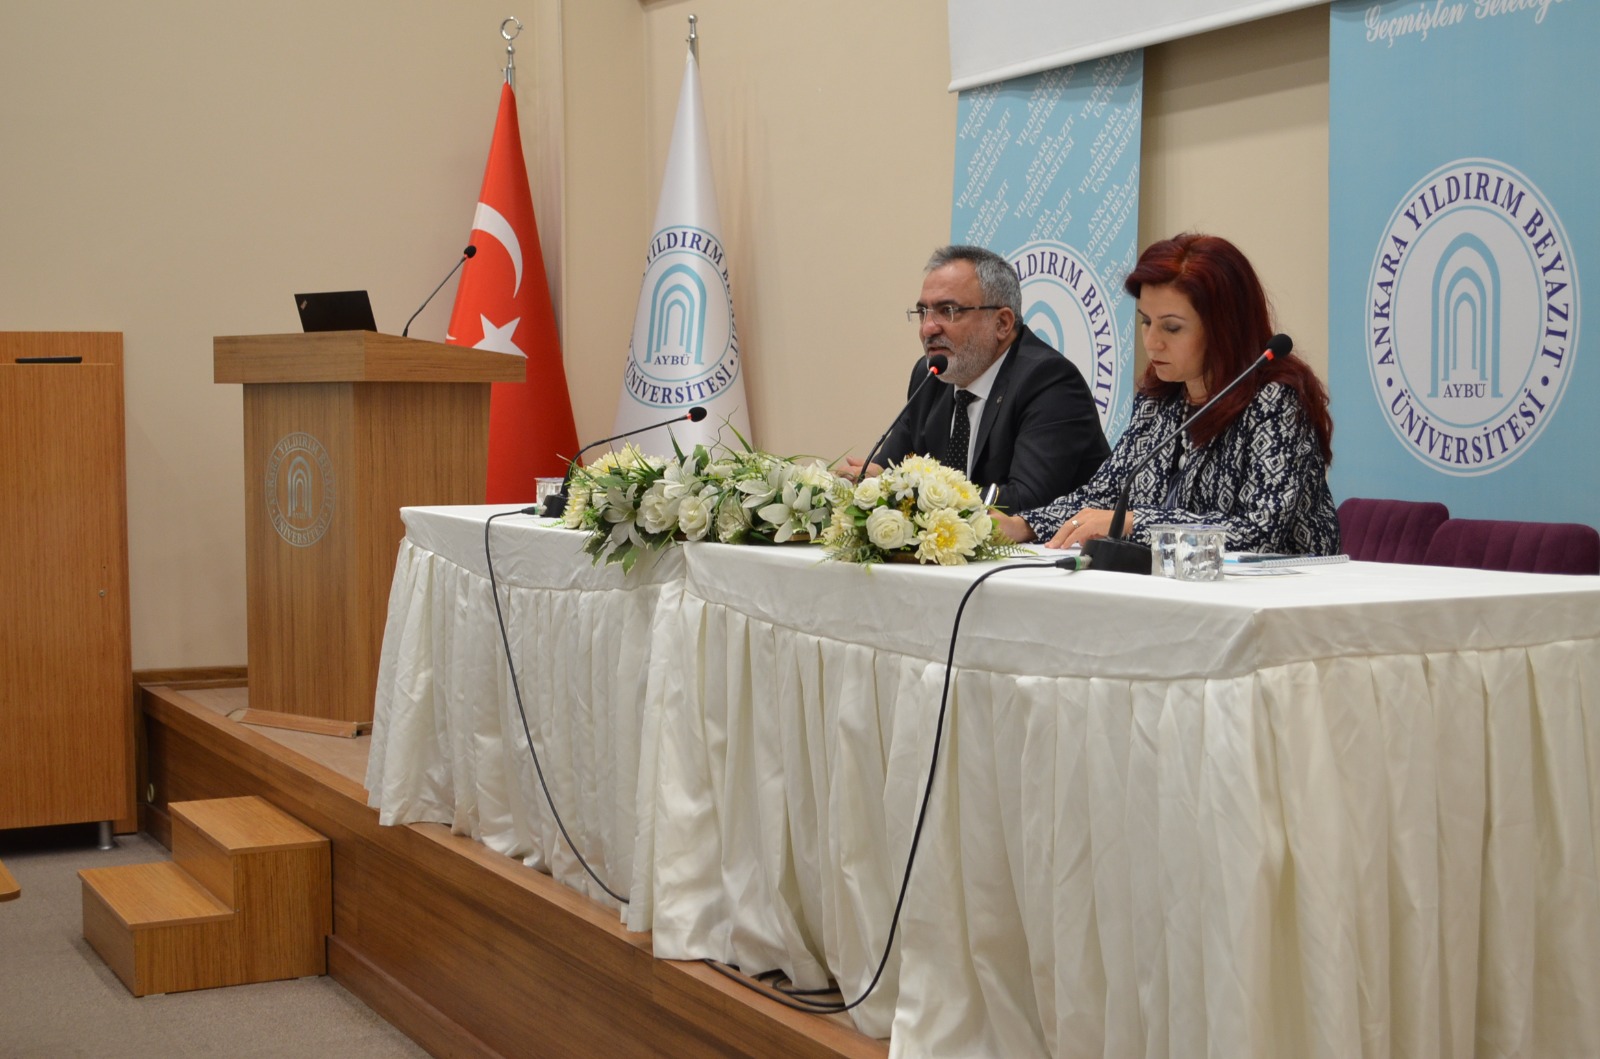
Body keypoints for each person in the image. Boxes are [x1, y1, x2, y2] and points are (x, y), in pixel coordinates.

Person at [993, 233, 1339, 554]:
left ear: (1225, 327)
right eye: (1146, 322)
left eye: (1171, 327)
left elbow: (1259, 533)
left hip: (1285, 599)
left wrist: (1131, 523)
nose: (1152, 342)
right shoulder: (1160, 399)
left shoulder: (1275, 401)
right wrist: (1022, 525)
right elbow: (1102, 494)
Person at [842, 245, 1109, 512]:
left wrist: (912, 492)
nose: (928, 328)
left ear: (1002, 323)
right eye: (923, 312)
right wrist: (871, 483)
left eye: (948, 311)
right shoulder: (929, 376)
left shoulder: (1049, 382)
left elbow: (1027, 500)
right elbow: (886, 472)